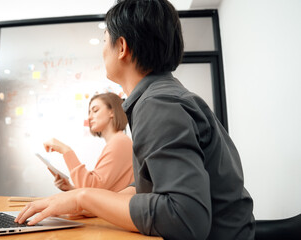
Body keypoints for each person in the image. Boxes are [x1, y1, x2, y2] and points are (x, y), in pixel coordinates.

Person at [15, 0, 255, 239]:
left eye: (104, 39)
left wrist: (82, 197)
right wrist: (85, 203)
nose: (102, 49)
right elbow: (149, 189)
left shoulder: (158, 104)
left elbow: (184, 219)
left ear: (121, 47)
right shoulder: (162, 96)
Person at [43, 92, 134, 192]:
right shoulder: (119, 141)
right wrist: (71, 189)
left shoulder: (119, 142)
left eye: (95, 110)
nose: (89, 117)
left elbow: (91, 186)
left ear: (111, 112)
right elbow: (100, 191)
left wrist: (66, 150)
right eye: (89, 112)